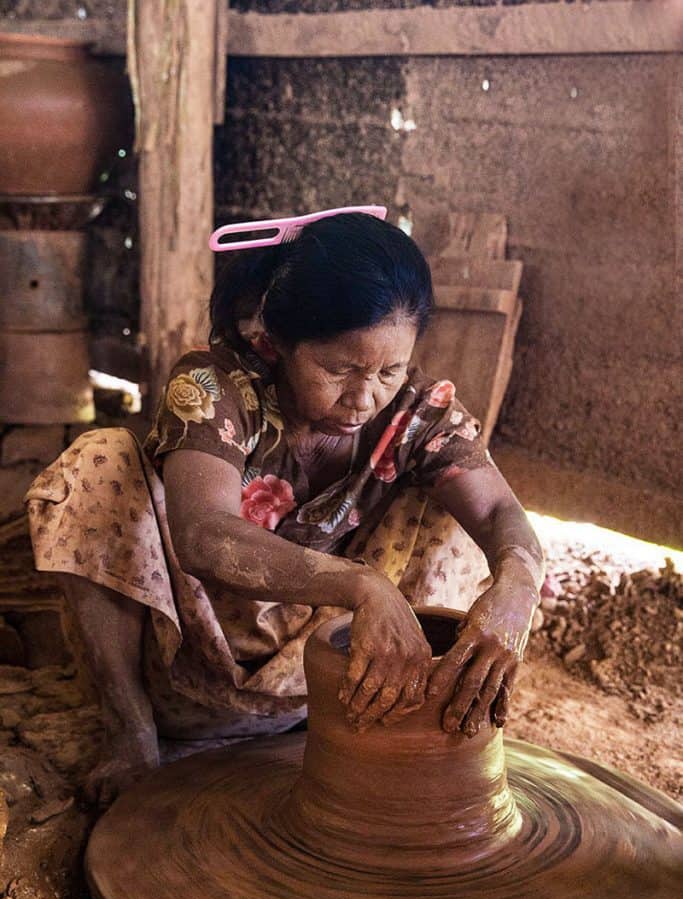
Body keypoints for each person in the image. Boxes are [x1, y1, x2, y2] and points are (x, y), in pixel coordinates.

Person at [25, 210, 544, 805]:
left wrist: (518, 587)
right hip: (185, 667)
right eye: (339, 368)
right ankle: (129, 734)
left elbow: (503, 515)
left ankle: (387, 737)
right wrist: (363, 586)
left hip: (332, 680)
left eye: (389, 370)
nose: (364, 396)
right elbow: (201, 534)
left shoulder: (417, 414)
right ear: (275, 343)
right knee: (99, 464)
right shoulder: (217, 387)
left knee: (467, 525)